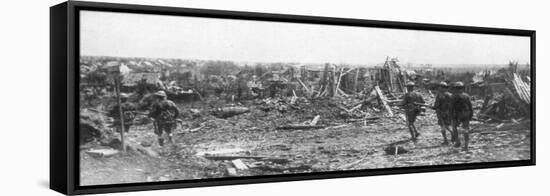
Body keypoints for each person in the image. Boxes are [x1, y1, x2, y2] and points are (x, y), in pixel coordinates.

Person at [450, 81, 473, 151]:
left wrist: (452, 116)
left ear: (455, 88)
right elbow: (470, 106)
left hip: (457, 115)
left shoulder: (453, 96)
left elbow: (451, 108)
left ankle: (458, 142)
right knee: (465, 129)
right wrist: (471, 115)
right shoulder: (467, 96)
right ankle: (466, 146)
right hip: (466, 114)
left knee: (454, 128)